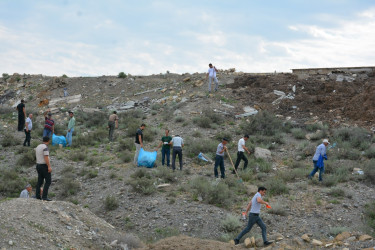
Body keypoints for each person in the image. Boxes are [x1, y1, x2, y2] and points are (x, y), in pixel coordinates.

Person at [35, 136, 52, 201]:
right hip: (44, 165)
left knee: (40, 181)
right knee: (48, 181)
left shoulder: (38, 146)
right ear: (48, 141)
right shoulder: (45, 147)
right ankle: (44, 196)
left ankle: (37, 195)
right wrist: (49, 166)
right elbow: (46, 157)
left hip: (38, 165)